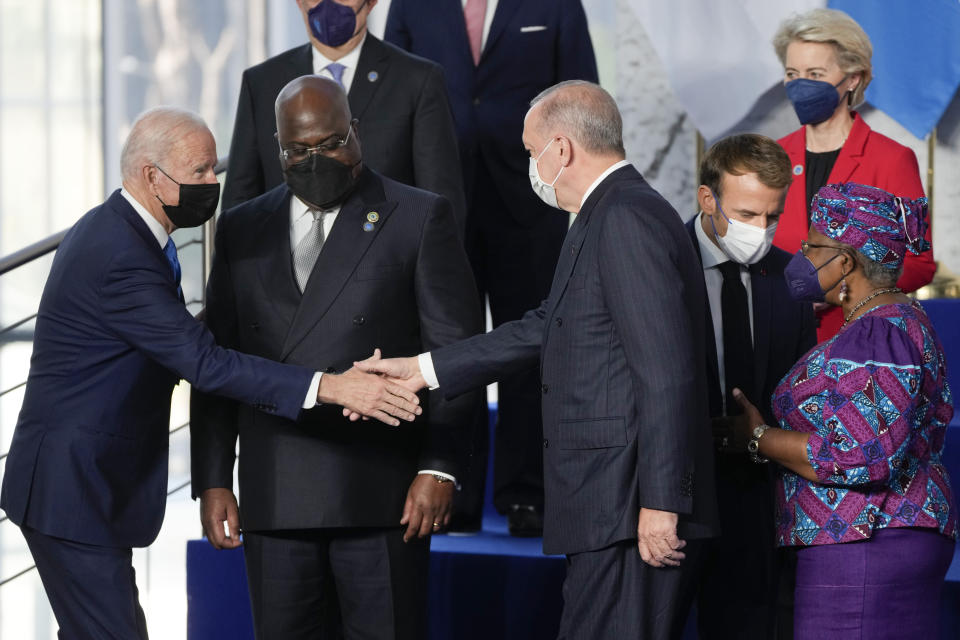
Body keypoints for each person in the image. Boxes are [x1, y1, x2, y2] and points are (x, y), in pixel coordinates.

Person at [0, 106, 419, 639]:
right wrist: (332, 387)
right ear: (153, 176)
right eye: (198, 172)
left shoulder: (127, 231)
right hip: (72, 490)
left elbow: (168, 334)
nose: (211, 182)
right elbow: (204, 361)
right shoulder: (120, 253)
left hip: (88, 486)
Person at [355, 80, 719, 639]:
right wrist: (424, 369)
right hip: (606, 509)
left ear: (562, 148)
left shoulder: (625, 218)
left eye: (530, 152)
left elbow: (667, 375)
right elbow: (544, 327)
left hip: (628, 510)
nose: (530, 166)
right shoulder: (604, 214)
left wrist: (663, 504)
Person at [190, 75, 481, 640]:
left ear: (356, 133)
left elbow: (456, 355)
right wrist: (213, 478)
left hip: (382, 494)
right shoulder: (241, 228)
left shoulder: (417, 216)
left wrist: (439, 465)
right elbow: (218, 363)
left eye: (328, 144)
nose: (315, 159)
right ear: (278, 149)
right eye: (298, 151)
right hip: (275, 491)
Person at [385, 0, 599, 535]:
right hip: (436, 203)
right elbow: (394, 91)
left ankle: (527, 493)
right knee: (448, 347)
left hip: (531, 204)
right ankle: (452, 486)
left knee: (528, 348)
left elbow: (584, 98)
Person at [727, 182, 957, 638]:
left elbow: (861, 457)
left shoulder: (875, 337)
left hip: (866, 540)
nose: (802, 256)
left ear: (846, 262)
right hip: (871, 538)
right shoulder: (896, 321)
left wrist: (756, 437)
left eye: (812, 245)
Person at [670, 134, 817, 638]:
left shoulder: (791, 277)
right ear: (707, 199)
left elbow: (796, 388)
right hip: (672, 495)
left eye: (771, 218)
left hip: (754, 497)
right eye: (748, 214)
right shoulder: (661, 262)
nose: (761, 231)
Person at [222, 0, 466, 232]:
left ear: (371, 2)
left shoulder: (417, 80)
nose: (330, 6)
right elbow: (240, 199)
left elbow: (442, 201)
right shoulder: (262, 83)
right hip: (285, 264)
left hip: (389, 264)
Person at [772, 8, 934, 341]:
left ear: (853, 78)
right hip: (777, 342)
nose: (800, 85)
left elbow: (919, 263)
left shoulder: (892, 159)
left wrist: (836, 287)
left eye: (815, 74)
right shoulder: (772, 156)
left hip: (858, 343)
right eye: (792, 73)